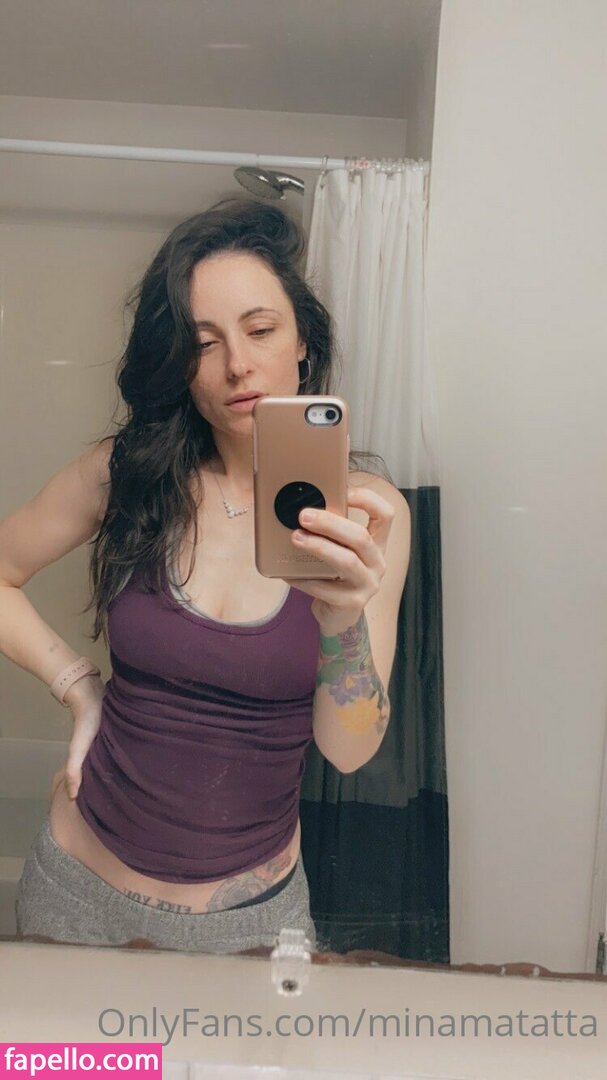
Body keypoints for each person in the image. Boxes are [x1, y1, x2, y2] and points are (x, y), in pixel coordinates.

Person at [1, 198, 411, 953]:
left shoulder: (367, 513)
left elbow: (349, 751)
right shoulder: (125, 475)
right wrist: (78, 685)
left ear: (302, 340)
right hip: (75, 892)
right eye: (203, 342)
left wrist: (341, 620)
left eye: (260, 330)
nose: (237, 365)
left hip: (247, 923)